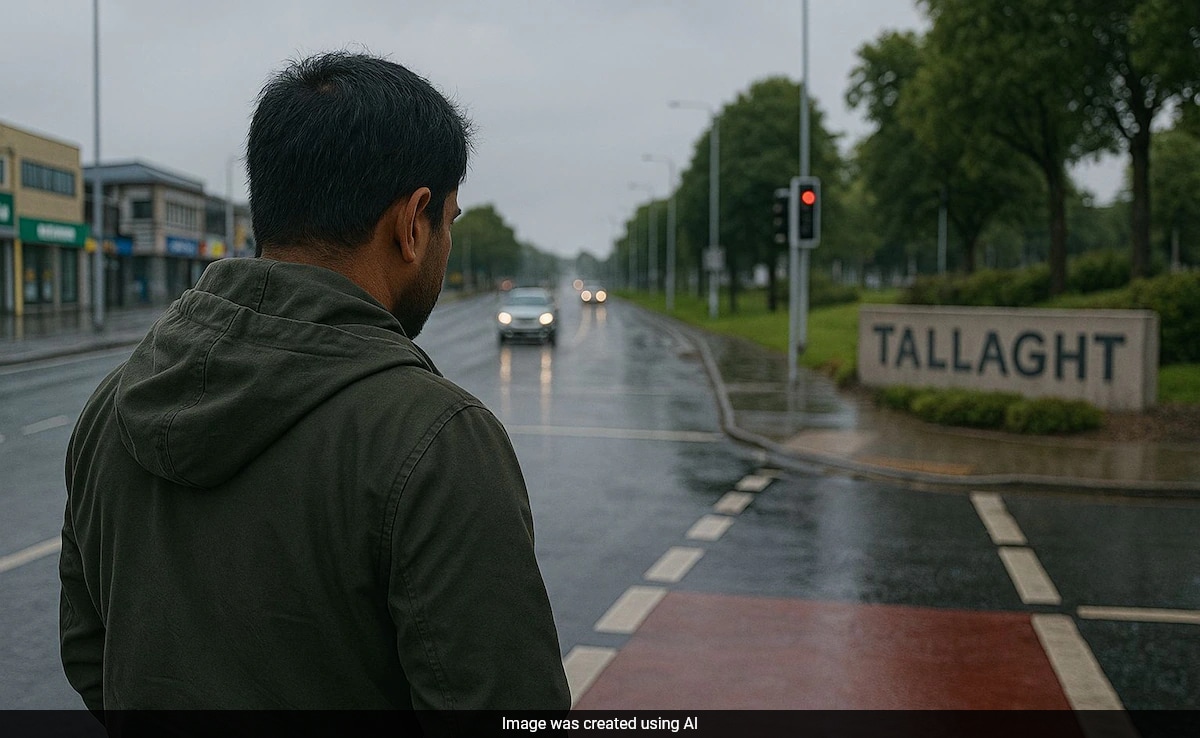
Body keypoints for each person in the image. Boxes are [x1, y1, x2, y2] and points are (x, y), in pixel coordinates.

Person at [59, 51, 571, 722]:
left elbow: (89, 655)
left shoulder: (112, 405)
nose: (445, 242)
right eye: (450, 220)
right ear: (413, 222)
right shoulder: (436, 440)